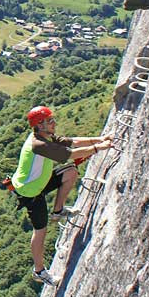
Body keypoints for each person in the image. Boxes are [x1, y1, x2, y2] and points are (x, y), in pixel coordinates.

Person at [11, 105, 112, 286]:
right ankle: (39, 271)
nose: (54, 123)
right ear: (40, 125)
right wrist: (99, 147)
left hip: (39, 183)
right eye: (50, 121)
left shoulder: (46, 137)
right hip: (30, 192)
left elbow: (70, 142)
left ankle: (58, 211)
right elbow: (70, 153)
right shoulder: (39, 145)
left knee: (70, 172)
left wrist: (99, 139)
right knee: (40, 231)